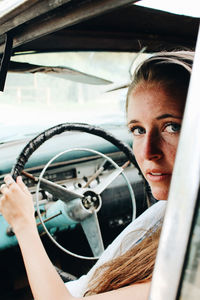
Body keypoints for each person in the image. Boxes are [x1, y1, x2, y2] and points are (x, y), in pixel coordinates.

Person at [0, 50, 194, 300]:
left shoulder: (187, 262)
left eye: (172, 127)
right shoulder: (175, 210)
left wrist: (23, 222)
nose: (147, 152)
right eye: (137, 129)